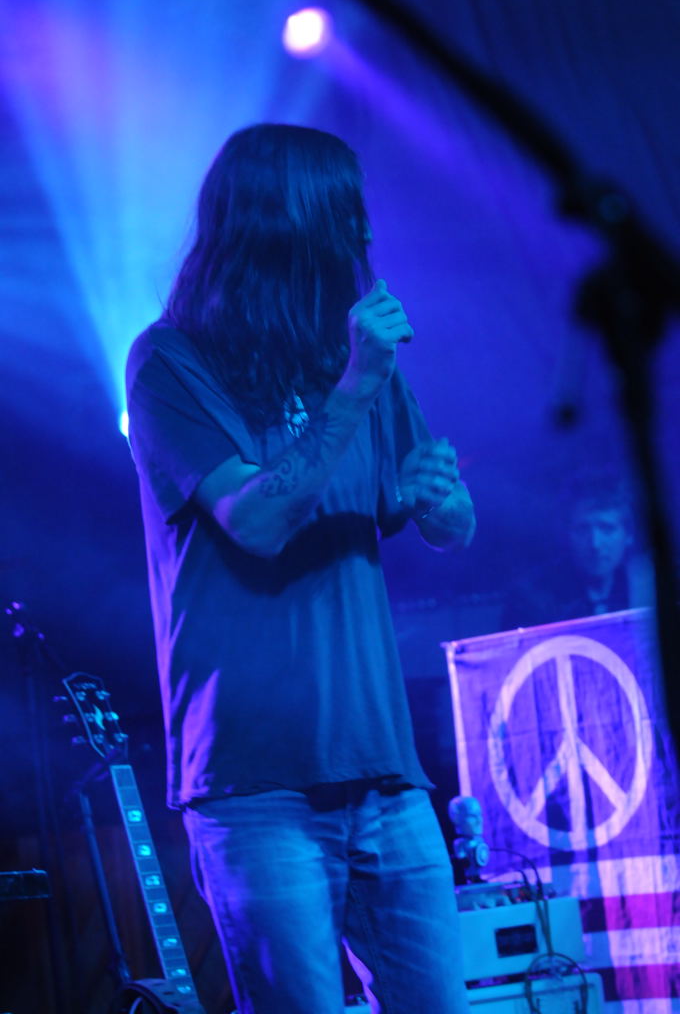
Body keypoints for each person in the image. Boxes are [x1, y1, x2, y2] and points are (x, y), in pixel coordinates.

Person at [125, 123, 475, 1014]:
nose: (365, 235)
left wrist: (437, 498)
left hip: (385, 772)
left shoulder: (345, 360)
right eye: (347, 213)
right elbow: (256, 521)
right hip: (255, 785)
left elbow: (452, 522)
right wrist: (354, 388)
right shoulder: (170, 361)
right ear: (290, 223)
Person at [501, 473, 653, 630]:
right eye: (582, 529)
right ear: (566, 535)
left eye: (607, 528)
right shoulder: (531, 599)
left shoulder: (647, 588)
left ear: (628, 535)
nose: (595, 544)